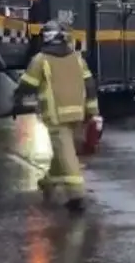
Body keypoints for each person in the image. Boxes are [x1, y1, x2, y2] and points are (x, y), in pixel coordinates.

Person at [14, 20, 102, 213]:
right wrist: (93, 112)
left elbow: (27, 86)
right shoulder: (77, 58)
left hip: (56, 117)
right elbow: (90, 85)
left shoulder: (40, 60)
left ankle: (77, 195)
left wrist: (16, 102)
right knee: (63, 150)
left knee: (67, 155)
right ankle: (48, 182)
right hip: (77, 113)